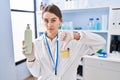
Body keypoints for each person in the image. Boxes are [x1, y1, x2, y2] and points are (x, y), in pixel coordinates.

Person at [22, 4, 106, 80]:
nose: (49, 24)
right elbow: (36, 73)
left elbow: (101, 42)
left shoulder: (73, 42)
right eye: (46, 20)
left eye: (53, 20)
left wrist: (75, 35)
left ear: (60, 21)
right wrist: (30, 58)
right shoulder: (36, 43)